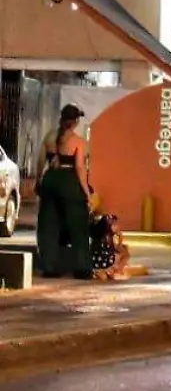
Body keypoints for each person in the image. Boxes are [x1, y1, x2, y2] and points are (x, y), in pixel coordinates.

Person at [37, 104, 93, 279]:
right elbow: (79, 168)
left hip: (50, 181)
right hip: (70, 183)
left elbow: (40, 162)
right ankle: (82, 268)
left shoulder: (49, 137)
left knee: (49, 225)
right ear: (75, 121)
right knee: (78, 225)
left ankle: (50, 267)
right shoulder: (78, 141)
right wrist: (87, 193)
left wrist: (40, 181)